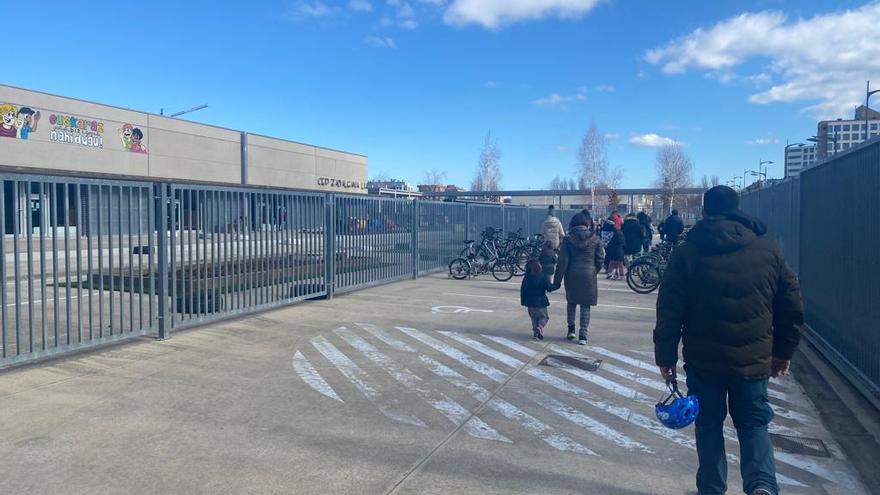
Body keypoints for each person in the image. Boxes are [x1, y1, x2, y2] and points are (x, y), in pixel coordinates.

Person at [653, 185, 804, 495]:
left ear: (705, 212)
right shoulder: (768, 251)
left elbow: (669, 308)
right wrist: (783, 351)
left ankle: (711, 489)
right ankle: (762, 485)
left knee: (708, 426)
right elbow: (792, 305)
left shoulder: (688, 252)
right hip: (753, 362)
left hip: (703, 362)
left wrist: (665, 356)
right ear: (738, 211)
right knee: (753, 424)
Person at [552, 213, 604, 344]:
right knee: (586, 305)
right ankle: (583, 335)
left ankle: (571, 331)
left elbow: (562, 261)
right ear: (587, 224)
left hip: (572, 274)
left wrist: (557, 281)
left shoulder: (568, 240)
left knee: (572, 302)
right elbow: (600, 259)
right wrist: (593, 271)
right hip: (589, 275)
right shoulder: (595, 239)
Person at [521, 258, 553, 340]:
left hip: (530, 302)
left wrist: (523, 301)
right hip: (540, 302)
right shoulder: (543, 276)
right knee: (544, 317)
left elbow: (523, 290)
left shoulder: (526, 277)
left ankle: (536, 333)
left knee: (534, 318)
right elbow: (549, 287)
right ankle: (540, 327)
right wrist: (557, 285)